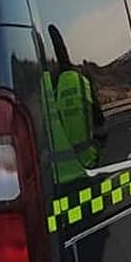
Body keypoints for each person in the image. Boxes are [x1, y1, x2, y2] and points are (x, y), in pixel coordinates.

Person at [42, 24, 104, 184]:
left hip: (57, 177)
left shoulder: (48, 89)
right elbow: (101, 122)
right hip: (87, 166)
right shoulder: (83, 85)